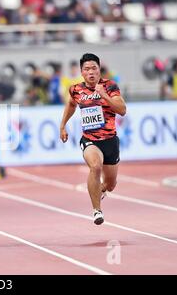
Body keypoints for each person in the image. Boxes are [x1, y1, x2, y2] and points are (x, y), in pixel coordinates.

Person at [59, 53, 126, 225]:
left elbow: (122, 110)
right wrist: (63, 125)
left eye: (94, 68)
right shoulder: (76, 90)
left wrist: (104, 96)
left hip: (110, 140)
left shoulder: (110, 86)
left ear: (99, 70)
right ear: (82, 72)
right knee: (95, 167)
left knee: (111, 185)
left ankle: (101, 189)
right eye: (87, 69)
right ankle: (97, 211)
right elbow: (71, 105)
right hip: (90, 140)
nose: (91, 72)